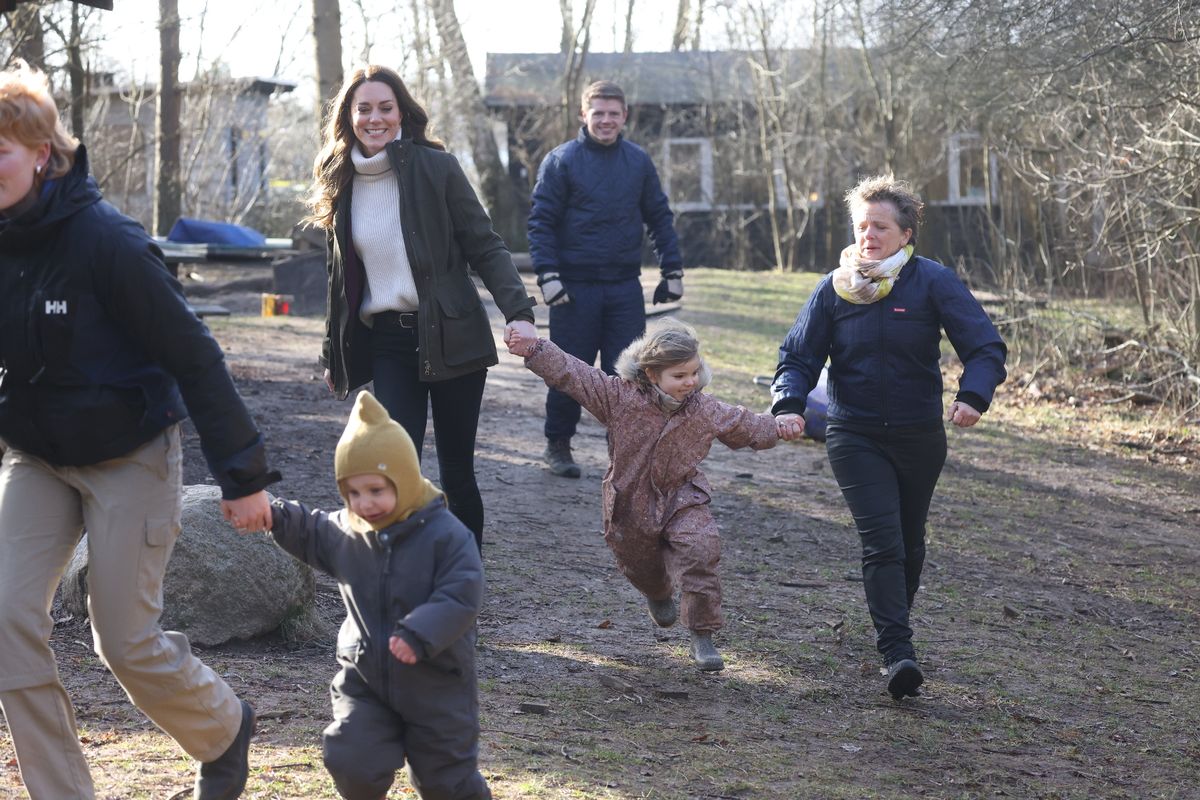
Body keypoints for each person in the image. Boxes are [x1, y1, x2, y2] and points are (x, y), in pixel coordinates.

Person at [0, 61, 278, 799]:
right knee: (3, 621)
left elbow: (194, 355)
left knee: (123, 641)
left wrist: (244, 477)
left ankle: (223, 728)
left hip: (129, 453)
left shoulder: (108, 243)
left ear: (41, 153)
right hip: (36, 455)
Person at [772, 175, 1007, 700]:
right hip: (853, 432)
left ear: (905, 234)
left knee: (909, 541)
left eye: (880, 227)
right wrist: (788, 404)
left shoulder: (932, 282)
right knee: (882, 541)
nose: (869, 236)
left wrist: (974, 395)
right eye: (862, 226)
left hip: (919, 434)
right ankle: (898, 651)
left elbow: (985, 346)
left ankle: (893, 622)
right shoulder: (834, 288)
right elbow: (797, 356)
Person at [306, 64, 537, 550]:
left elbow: (485, 245)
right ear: (348, 117)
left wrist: (519, 313)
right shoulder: (339, 179)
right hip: (389, 343)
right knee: (393, 464)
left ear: (401, 113)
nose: (375, 118)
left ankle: (465, 571)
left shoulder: (437, 168)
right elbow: (338, 277)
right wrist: (332, 351)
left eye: (385, 108)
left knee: (457, 470)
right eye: (363, 109)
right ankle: (402, 568)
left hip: (453, 334)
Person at [507, 319, 787, 671]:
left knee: (701, 549)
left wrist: (779, 426)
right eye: (679, 375)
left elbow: (743, 424)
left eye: (694, 372)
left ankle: (702, 634)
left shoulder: (704, 409)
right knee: (640, 566)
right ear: (652, 374)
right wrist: (535, 348)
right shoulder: (620, 397)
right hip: (629, 503)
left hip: (683, 496)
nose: (690, 382)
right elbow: (574, 374)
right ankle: (657, 592)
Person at [263, 391, 487, 800]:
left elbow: (461, 594)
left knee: (446, 781)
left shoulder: (447, 536)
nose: (364, 504)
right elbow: (310, 529)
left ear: (404, 480)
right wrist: (273, 515)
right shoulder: (348, 530)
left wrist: (419, 633)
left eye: (376, 490)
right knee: (352, 759)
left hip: (437, 685)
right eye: (352, 493)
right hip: (366, 680)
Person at [527, 79, 684, 478]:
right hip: (573, 290)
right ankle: (558, 444)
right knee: (568, 372)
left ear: (624, 116)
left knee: (631, 377)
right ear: (584, 114)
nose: (606, 120)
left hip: (623, 287)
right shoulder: (561, 161)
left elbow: (659, 217)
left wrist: (672, 270)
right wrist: (548, 275)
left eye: (614, 113)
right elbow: (541, 221)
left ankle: (625, 454)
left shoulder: (638, 162)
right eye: (598, 113)